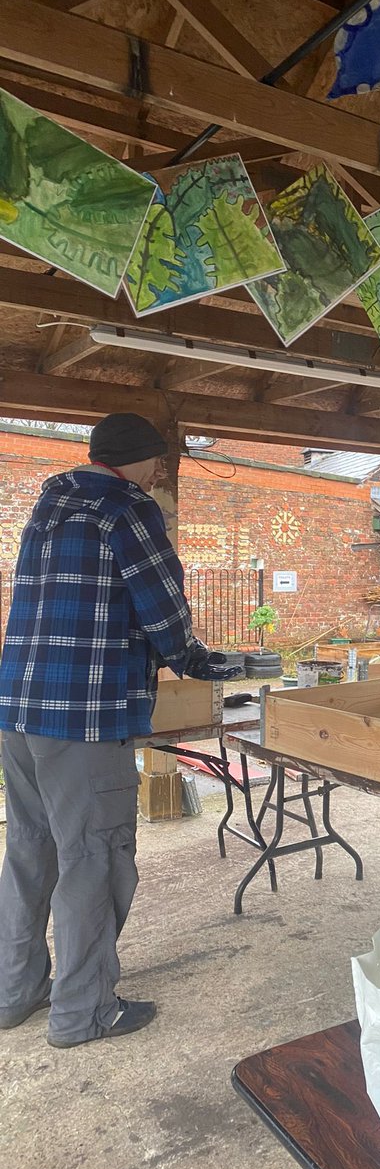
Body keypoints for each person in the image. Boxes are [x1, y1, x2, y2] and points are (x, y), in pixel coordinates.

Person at [0, 413, 240, 1048]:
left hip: (19, 709)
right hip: (84, 715)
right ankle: (84, 1012)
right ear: (138, 459)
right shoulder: (128, 509)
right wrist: (199, 660)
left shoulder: (49, 506)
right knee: (94, 858)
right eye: (159, 460)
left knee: (29, 851)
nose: (161, 471)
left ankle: (15, 992)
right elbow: (163, 607)